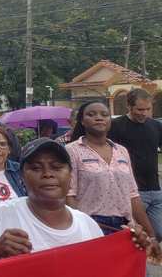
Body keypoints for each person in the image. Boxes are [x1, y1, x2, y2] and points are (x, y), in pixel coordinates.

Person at [0, 137, 159, 275]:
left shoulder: (88, 227)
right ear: (22, 177)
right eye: (35, 168)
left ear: (70, 176)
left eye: (57, 167)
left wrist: (129, 247)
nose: (47, 174)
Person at [66, 100, 158, 240]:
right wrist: (80, 226)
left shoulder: (121, 151)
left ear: (110, 120)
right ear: (82, 121)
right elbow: (69, 194)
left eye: (105, 114)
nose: (99, 117)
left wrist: (150, 234)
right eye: (91, 114)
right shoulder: (72, 150)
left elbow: (132, 194)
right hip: (92, 225)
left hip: (124, 226)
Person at [109, 88, 162, 240]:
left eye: (147, 109)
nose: (144, 113)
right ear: (129, 106)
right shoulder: (115, 126)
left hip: (155, 189)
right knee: (134, 236)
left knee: (158, 233)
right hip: (130, 193)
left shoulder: (156, 126)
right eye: (139, 109)